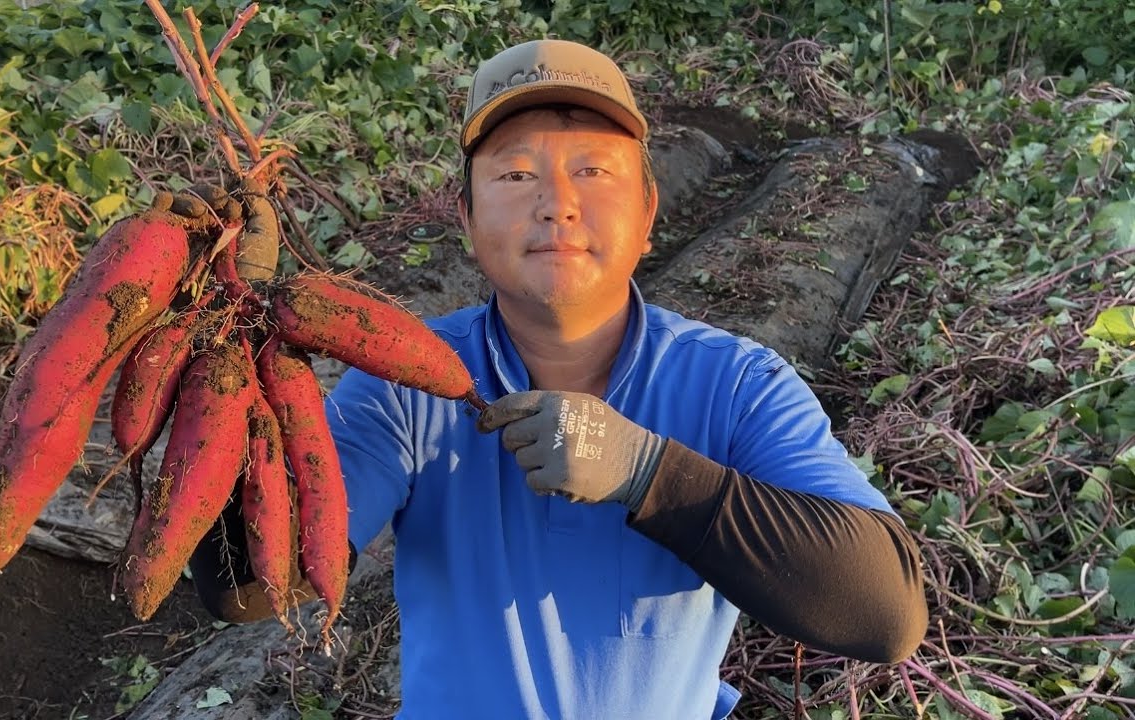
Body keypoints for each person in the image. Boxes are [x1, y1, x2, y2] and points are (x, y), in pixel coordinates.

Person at [181, 38, 928, 719]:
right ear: (468, 219)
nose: (556, 204)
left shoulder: (737, 385)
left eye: (593, 171)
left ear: (647, 213)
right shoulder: (403, 384)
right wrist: (230, 374)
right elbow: (255, 587)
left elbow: (885, 613)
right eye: (515, 172)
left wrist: (649, 474)